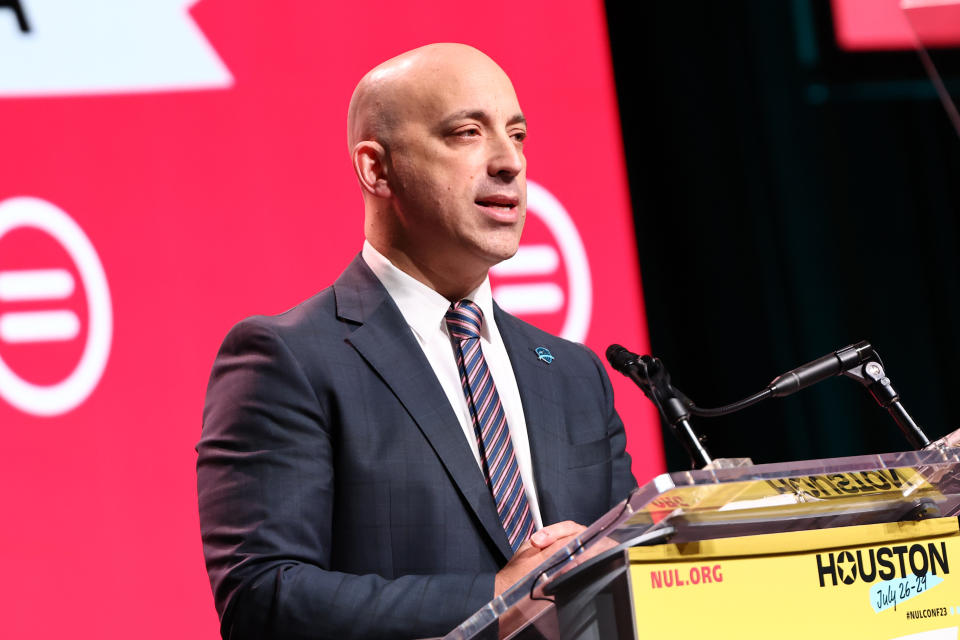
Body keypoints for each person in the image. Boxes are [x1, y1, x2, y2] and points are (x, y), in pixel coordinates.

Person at [197, 43, 637, 640]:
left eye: (518, 134)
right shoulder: (289, 359)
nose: (509, 162)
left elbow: (634, 571)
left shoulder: (574, 374)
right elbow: (263, 597)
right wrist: (496, 597)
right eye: (466, 133)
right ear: (376, 169)